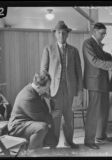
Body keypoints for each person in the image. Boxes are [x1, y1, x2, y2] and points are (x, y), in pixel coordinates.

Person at [40, 20, 83, 149]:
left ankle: (69, 141)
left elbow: (79, 72)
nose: (62, 35)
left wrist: (80, 91)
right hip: (54, 90)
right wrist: (45, 90)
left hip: (70, 90)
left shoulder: (74, 51)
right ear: (55, 34)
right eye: (59, 33)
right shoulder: (48, 49)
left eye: (64, 33)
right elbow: (44, 71)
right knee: (55, 118)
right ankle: (53, 143)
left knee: (69, 117)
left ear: (68, 34)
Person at [83, 22, 112, 149]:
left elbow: (104, 57)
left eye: (105, 33)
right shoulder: (88, 43)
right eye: (102, 33)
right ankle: (89, 141)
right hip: (94, 83)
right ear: (94, 31)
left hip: (103, 83)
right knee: (93, 112)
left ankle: (100, 136)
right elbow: (94, 61)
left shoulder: (99, 47)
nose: (104, 36)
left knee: (104, 111)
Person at [7, 72, 57, 152]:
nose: (48, 90)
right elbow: (43, 117)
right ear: (38, 86)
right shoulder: (29, 96)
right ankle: (32, 153)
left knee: (46, 124)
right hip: (17, 127)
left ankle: (46, 147)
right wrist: (54, 114)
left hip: (27, 122)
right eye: (46, 88)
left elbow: (45, 112)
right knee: (41, 127)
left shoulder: (35, 91)